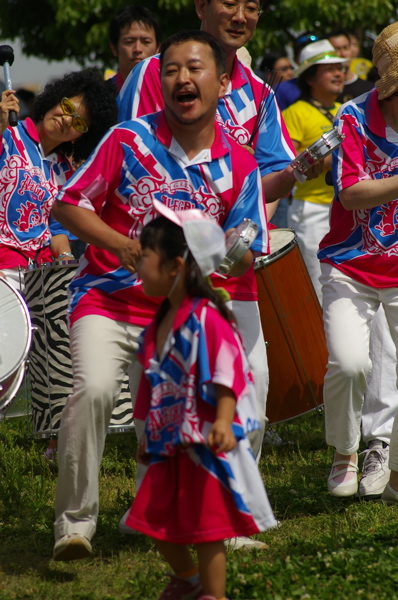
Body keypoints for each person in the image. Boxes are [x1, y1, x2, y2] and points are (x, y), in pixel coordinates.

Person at [51, 30, 270, 561]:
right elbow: (68, 204)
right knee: (95, 390)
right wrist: (122, 246)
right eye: (170, 70)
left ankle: (227, 513)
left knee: (248, 384)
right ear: (159, 81)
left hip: (185, 316)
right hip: (108, 299)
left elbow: (249, 250)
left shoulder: (240, 165)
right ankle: (74, 525)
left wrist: (218, 249)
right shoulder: (127, 140)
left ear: (222, 82)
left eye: (194, 69)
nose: (182, 79)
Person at [117, 0, 325, 467]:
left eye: (252, 7)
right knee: (166, 383)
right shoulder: (155, 72)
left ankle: (236, 505)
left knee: (250, 379)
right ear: (200, 7)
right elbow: (133, 157)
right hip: (163, 262)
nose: (241, 16)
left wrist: (293, 176)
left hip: (231, 268)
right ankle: (168, 498)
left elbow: (264, 178)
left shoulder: (260, 94)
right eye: (229, 3)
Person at [126, 200, 276, 600]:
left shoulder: (207, 316)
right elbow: (150, 384)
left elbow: (228, 372)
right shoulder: (159, 321)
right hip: (166, 438)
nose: (138, 266)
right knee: (150, 518)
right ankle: (188, 578)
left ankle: (213, 593)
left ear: (175, 266)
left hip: (202, 439)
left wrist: (224, 420)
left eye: (146, 258)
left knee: (208, 527)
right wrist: (146, 431)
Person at [317, 21, 398, 498]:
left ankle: (383, 452)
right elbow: (349, 194)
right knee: (349, 364)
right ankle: (345, 449)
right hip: (349, 264)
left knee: (393, 365)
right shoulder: (352, 117)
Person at [0, 69, 118, 290]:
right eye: (66, 108)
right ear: (54, 100)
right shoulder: (8, 134)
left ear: (82, 136)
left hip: (41, 277)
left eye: (79, 123)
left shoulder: (66, 172)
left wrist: (64, 257)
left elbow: (57, 230)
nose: (66, 120)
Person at [283, 39, 347, 301]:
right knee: (320, 289)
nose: (338, 74)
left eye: (340, 68)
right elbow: (290, 164)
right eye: (329, 69)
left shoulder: (345, 110)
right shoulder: (295, 113)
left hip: (347, 209)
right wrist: (343, 158)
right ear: (310, 77)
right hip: (311, 211)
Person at [108, 5, 161, 92]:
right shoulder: (98, 98)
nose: (138, 49)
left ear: (157, 48)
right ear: (114, 48)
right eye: (129, 42)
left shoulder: (169, 94)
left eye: (146, 42)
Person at [327, 29, 373, 104]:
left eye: (345, 48)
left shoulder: (369, 90)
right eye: (336, 49)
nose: (342, 54)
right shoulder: (324, 92)